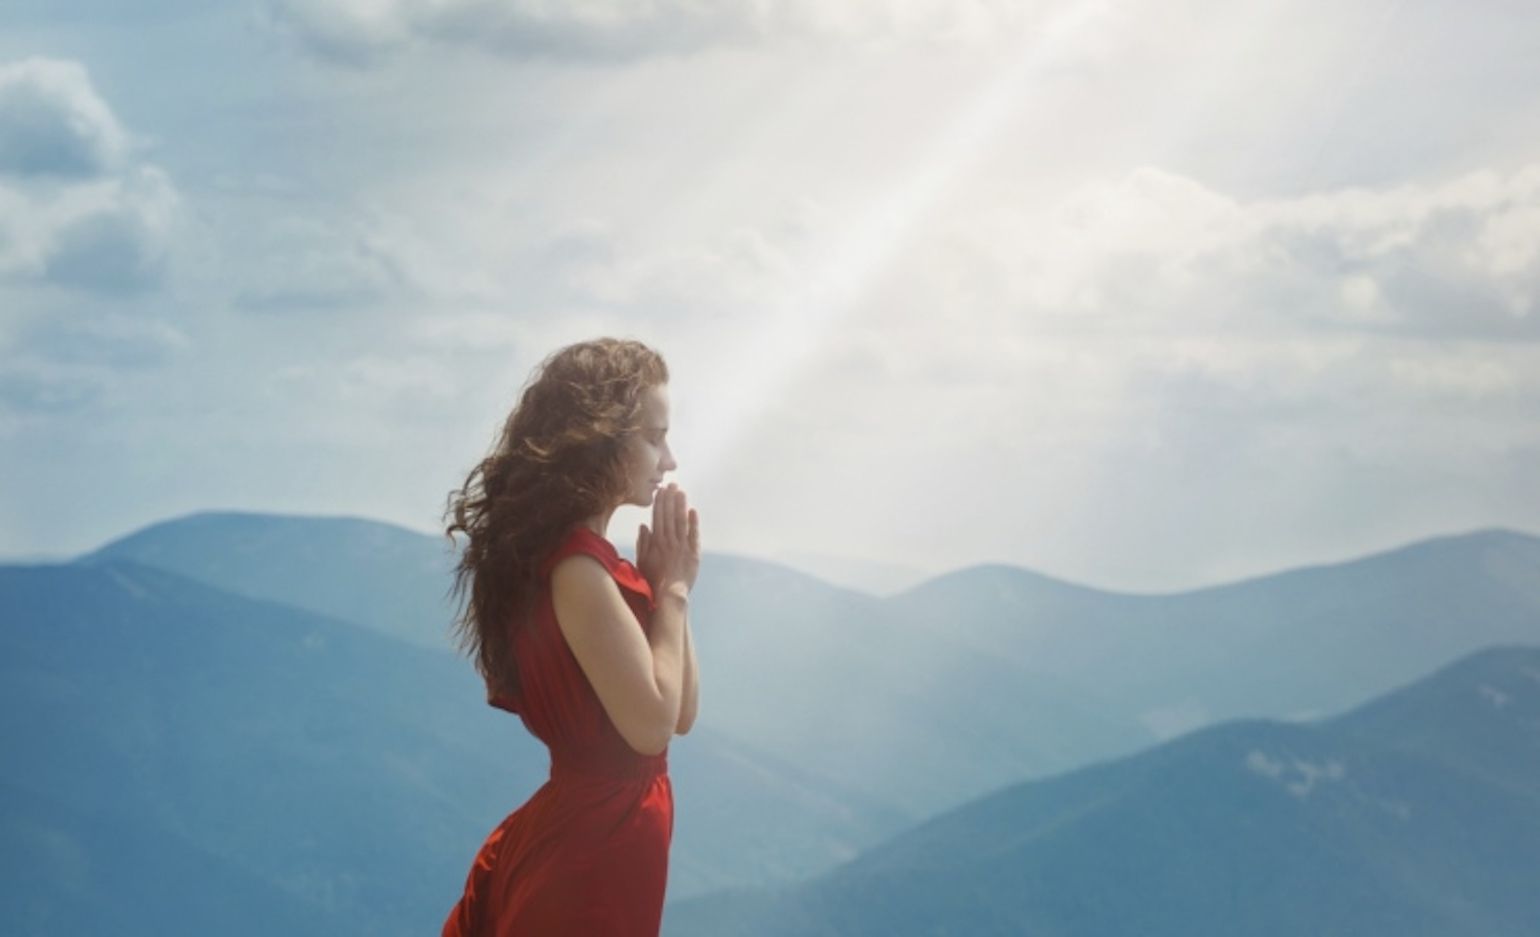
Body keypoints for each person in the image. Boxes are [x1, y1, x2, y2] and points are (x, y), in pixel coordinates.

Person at [439, 337, 700, 936]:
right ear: (602, 440)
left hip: (607, 833)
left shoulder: (600, 566)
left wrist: (666, 592)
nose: (670, 460)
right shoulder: (579, 570)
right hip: (593, 846)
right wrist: (677, 593)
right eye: (654, 437)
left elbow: (681, 712)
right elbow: (652, 725)